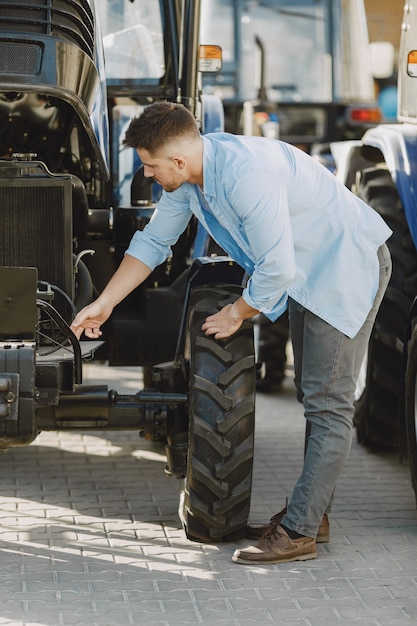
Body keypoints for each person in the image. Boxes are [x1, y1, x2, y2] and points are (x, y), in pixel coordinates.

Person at [70, 101, 392, 565]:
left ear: (177, 161)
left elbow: (276, 268)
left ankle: (300, 531)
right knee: (314, 396)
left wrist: (237, 313)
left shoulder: (244, 177)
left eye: (150, 166)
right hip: (307, 272)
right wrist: (104, 302)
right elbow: (154, 241)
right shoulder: (193, 176)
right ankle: (312, 512)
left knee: (328, 404)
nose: (148, 176)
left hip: (344, 264)